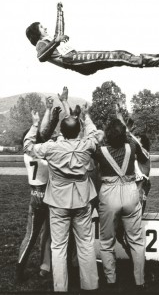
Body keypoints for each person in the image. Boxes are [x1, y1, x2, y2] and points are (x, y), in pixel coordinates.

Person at [24, 94, 101, 292]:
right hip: (83, 200)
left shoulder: (52, 147)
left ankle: (60, 287)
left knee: (58, 246)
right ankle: (90, 285)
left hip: (58, 202)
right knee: (85, 243)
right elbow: (94, 134)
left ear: (61, 132)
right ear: (78, 131)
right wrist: (86, 117)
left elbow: (28, 147)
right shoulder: (86, 144)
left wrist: (34, 125)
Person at [26, 3, 159, 76]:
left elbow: (59, 33)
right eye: (41, 27)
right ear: (36, 33)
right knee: (118, 56)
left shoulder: (49, 40)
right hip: (74, 60)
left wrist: (59, 12)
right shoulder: (40, 44)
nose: (45, 28)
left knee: (120, 55)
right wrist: (56, 41)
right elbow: (40, 57)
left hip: (78, 62)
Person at [93, 118, 149, 293]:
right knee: (136, 241)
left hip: (109, 193)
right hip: (130, 191)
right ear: (123, 135)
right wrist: (128, 134)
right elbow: (144, 157)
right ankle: (139, 281)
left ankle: (111, 279)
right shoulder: (131, 146)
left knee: (107, 241)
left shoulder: (100, 151)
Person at [16, 97, 61, 282]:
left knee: (30, 236)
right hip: (49, 195)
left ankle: (20, 268)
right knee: (52, 234)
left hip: (35, 195)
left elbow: (39, 135)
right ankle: (53, 267)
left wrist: (49, 118)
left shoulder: (27, 155)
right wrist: (52, 117)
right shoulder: (46, 153)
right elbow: (45, 135)